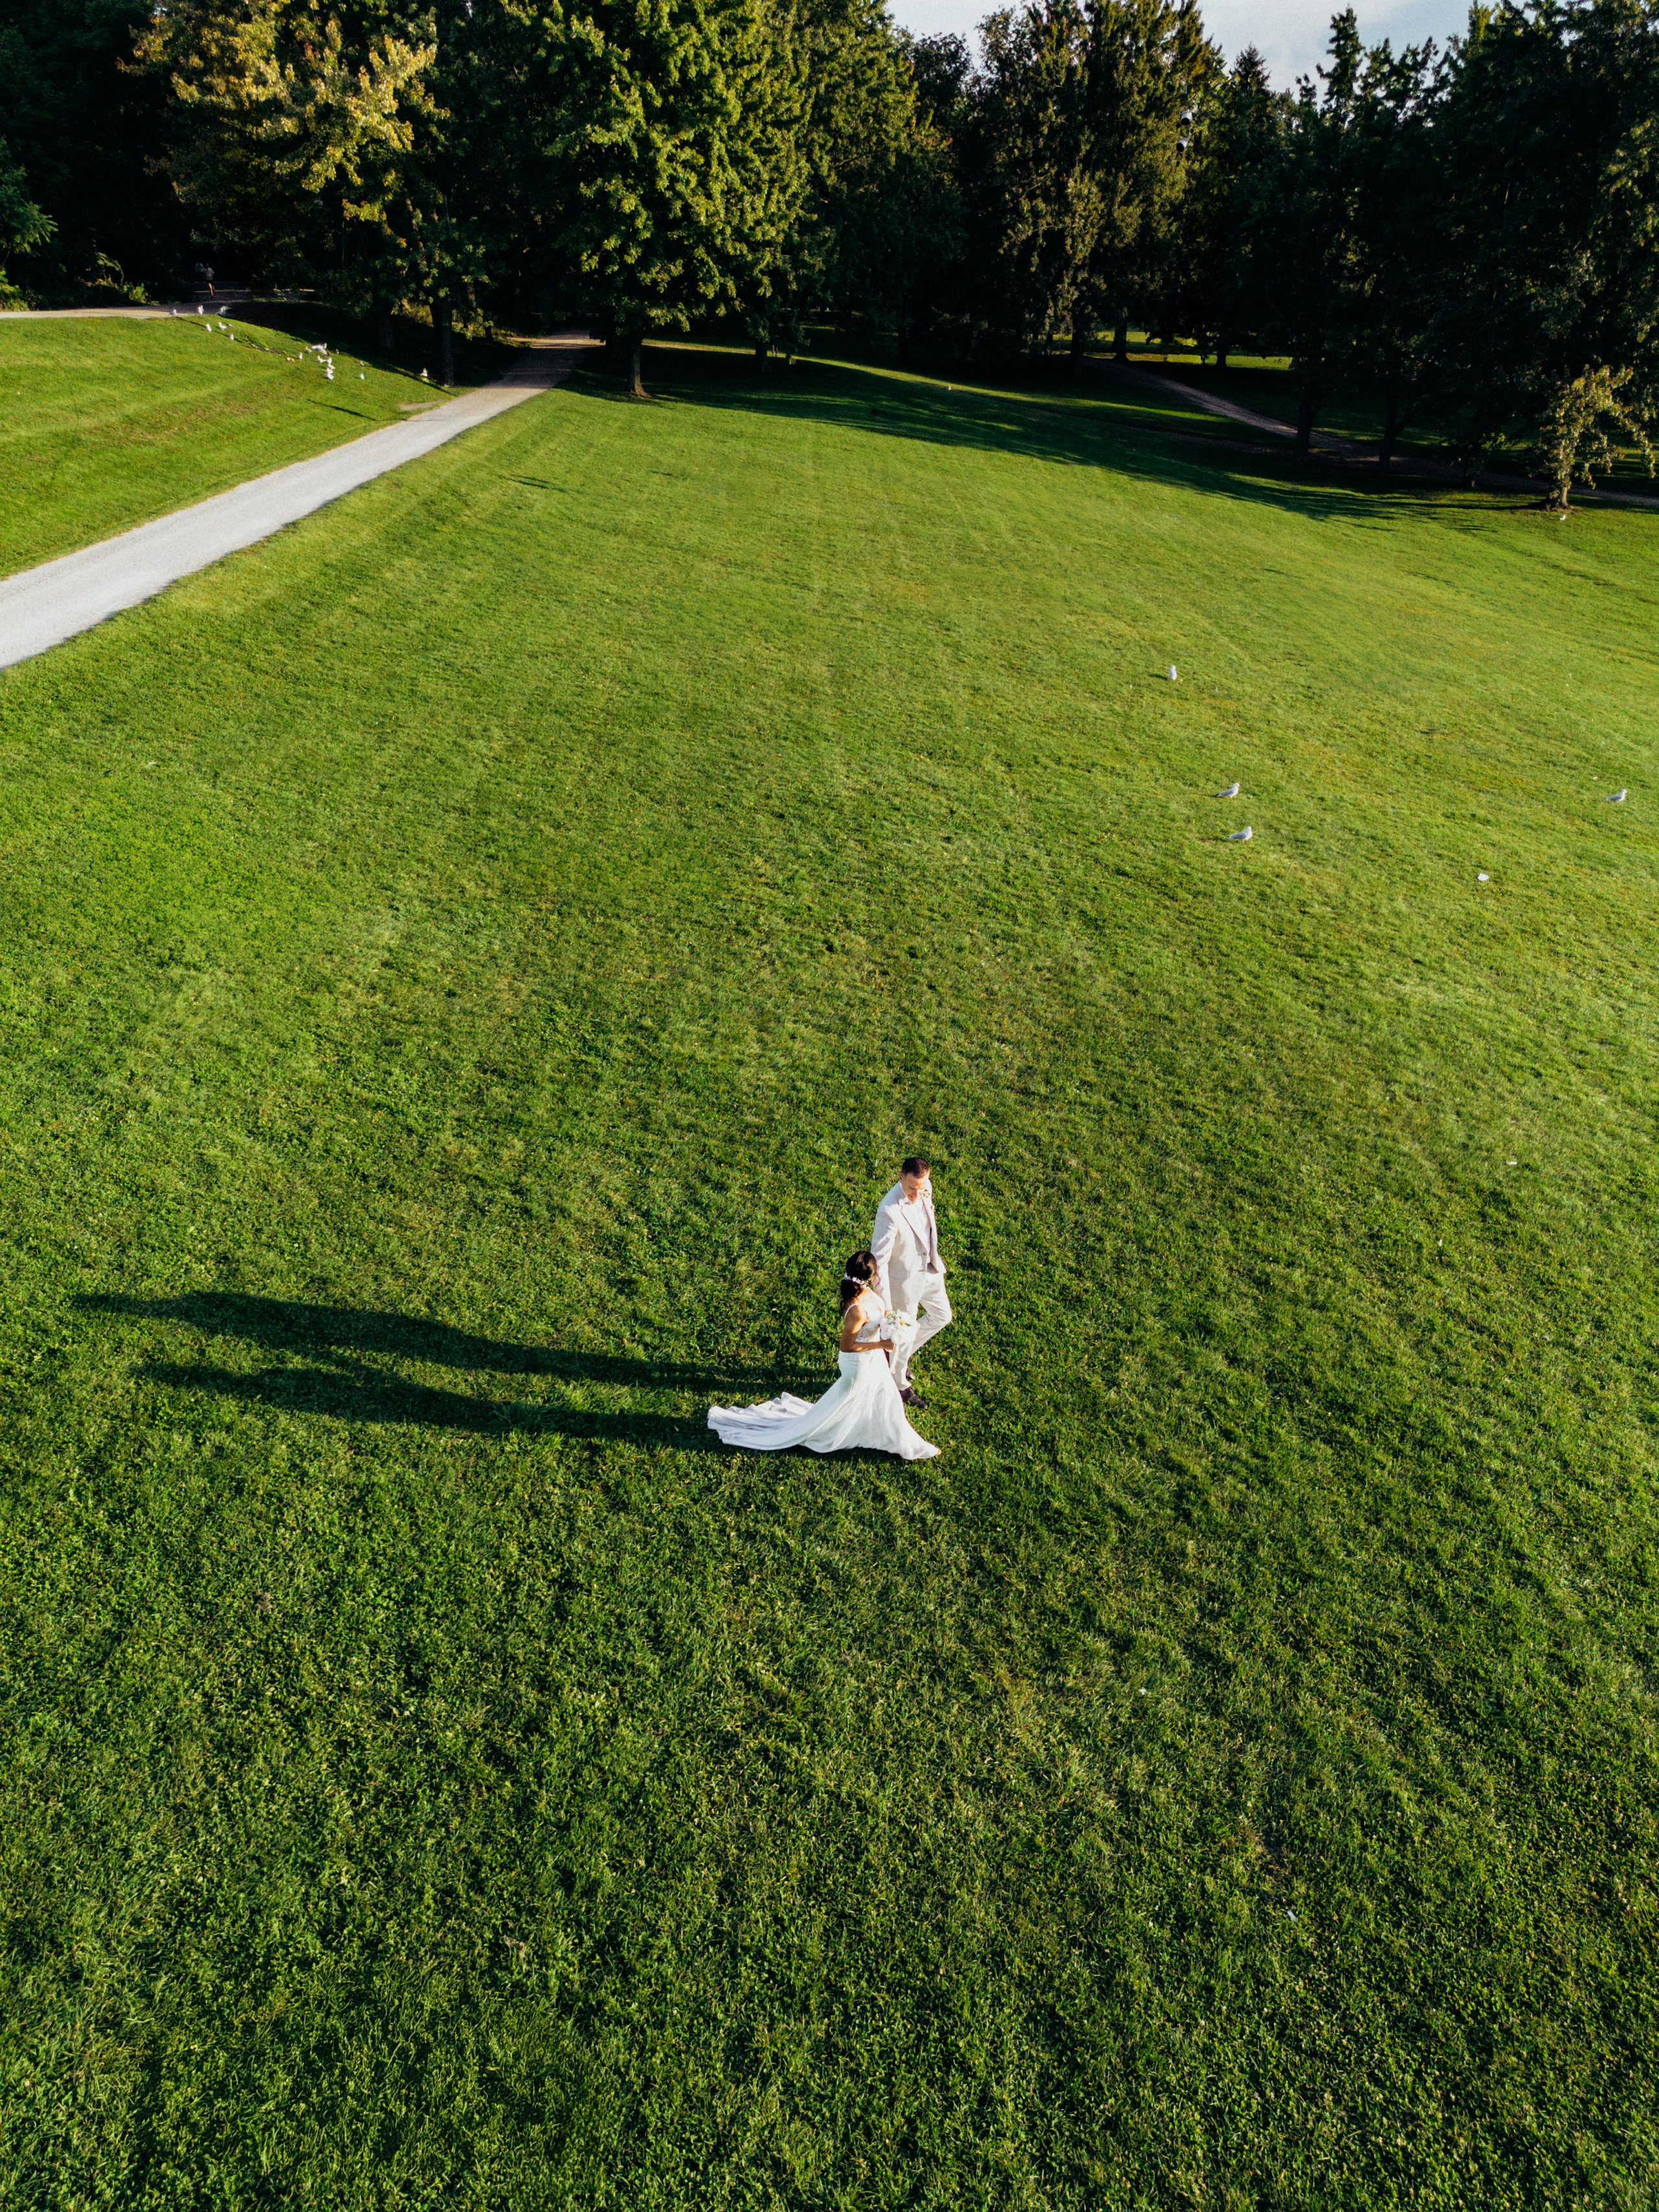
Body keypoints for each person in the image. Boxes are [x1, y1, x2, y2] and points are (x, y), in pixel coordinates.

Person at [706, 1252, 939, 1460]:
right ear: (868, 1276)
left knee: (886, 1398)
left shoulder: (869, 1293)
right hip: (858, 1363)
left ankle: (891, 1437)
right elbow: (847, 1347)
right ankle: (903, 1445)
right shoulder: (856, 1310)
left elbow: (878, 1315)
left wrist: (894, 1323)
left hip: (873, 1358)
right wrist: (883, 1343)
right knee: (847, 1401)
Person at [871, 1155, 951, 1407]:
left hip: (929, 1271)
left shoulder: (925, 1188)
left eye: (922, 1187)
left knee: (942, 1316)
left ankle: (893, 1359)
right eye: (911, 1189)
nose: (917, 1194)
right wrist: (885, 1302)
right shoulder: (889, 1211)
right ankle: (899, 1384)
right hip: (903, 1282)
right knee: (903, 1334)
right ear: (899, 1178)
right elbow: (879, 1260)